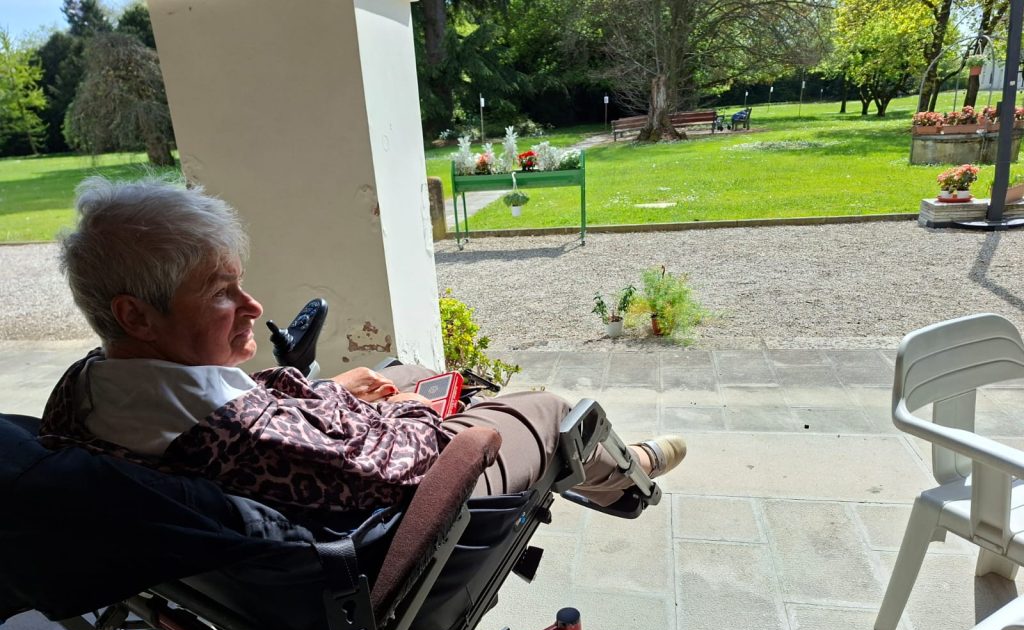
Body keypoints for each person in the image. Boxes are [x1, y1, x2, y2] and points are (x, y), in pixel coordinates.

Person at [40, 178, 686, 530]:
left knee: (405, 370)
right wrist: (403, 411)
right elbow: (404, 469)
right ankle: (623, 479)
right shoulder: (240, 440)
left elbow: (222, 407)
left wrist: (324, 394)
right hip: (406, 511)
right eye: (220, 292)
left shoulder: (86, 389)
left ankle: (577, 462)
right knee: (547, 410)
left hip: (292, 498)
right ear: (136, 315)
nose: (253, 306)